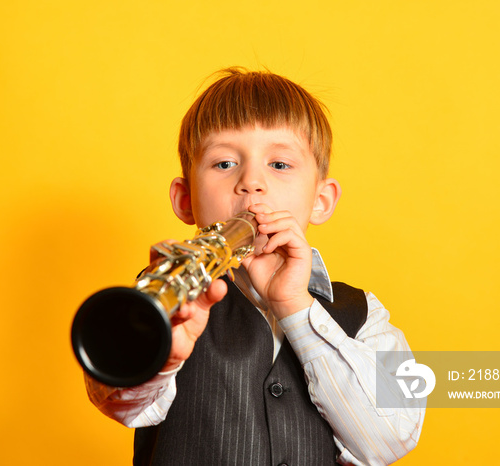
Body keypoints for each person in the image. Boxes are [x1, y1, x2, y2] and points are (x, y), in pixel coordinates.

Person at [84, 68, 425, 465]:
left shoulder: (366, 315)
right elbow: (118, 401)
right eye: (224, 163)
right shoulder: (172, 295)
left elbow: (392, 436)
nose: (251, 182)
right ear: (185, 199)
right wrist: (163, 353)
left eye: (279, 165)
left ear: (321, 200)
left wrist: (296, 307)